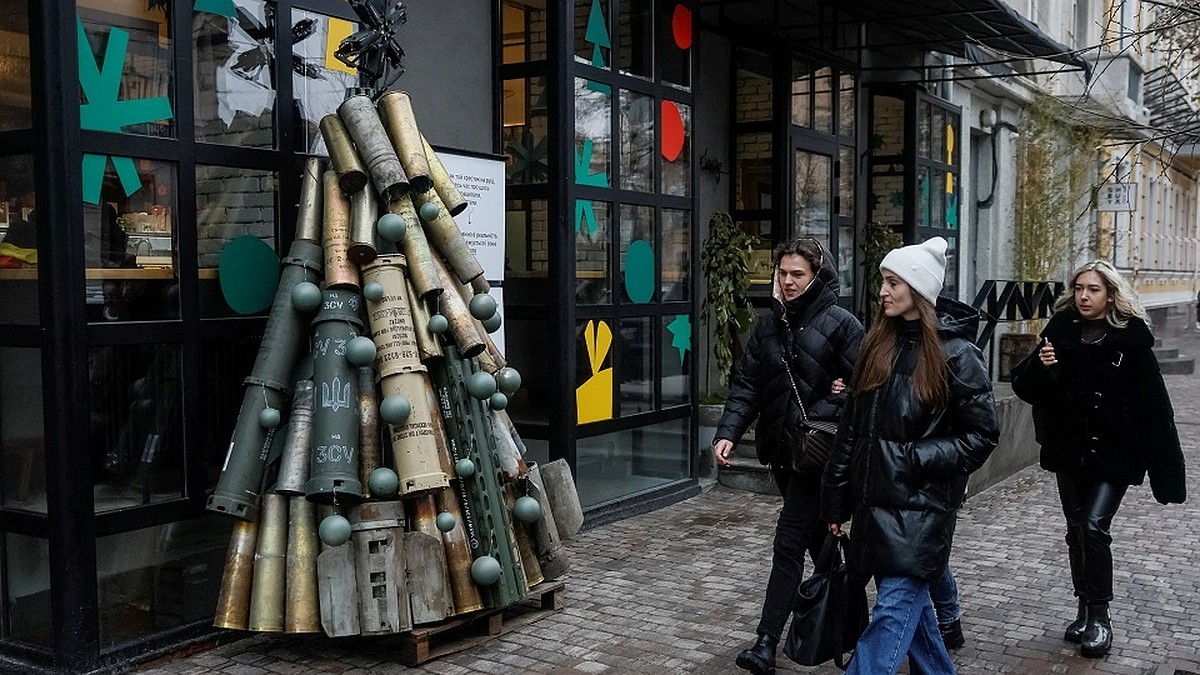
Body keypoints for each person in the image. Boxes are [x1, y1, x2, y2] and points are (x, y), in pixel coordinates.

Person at [822, 236, 999, 675]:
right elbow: (851, 432)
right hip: (874, 511)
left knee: (890, 617)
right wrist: (835, 501)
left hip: (921, 512)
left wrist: (916, 458)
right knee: (913, 624)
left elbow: (982, 434)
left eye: (893, 282)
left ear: (918, 289)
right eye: (883, 281)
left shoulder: (958, 355)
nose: (883, 291)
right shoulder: (876, 346)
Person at [1011, 260, 1186, 658]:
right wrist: (1043, 368)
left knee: (1093, 527)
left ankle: (1100, 617)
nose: (1084, 296)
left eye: (1093, 289)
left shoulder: (1131, 341)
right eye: (1079, 289)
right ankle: (1083, 609)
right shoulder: (1059, 332)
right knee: (1075, 530)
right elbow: (1026, 388)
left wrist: (1168, 475)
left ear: (1110, 294)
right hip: (1069, 450)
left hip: (1116, 453)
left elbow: (1156, 410)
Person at [713, 238, 864, 675]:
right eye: (783, 273)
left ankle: (766, 641)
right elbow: (747, 384)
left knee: (789, 541)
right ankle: (852, 630)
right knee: (822, 549)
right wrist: (728, 432)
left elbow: (867, 389)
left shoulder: (842, 325)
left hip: (819, 456)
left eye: (798, 273)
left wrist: (831, 404)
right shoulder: (769, 325)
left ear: (818, 275)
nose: (788, 281)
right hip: (783, 455)